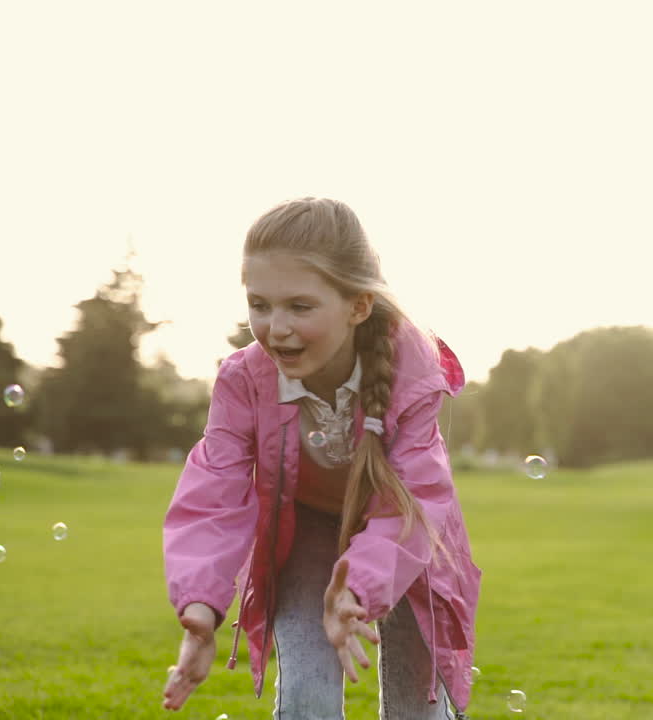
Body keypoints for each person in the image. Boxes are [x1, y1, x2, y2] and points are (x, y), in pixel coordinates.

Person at [161, 197, 480, 719]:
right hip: (305, 531)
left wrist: (358, 586)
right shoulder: (244, 379)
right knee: (307, 695)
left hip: (407, 539)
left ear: (357, 306)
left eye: (299, 307)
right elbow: (214, 489)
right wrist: (200, 606)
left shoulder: (412, 370)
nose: (275, 327)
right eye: (259, 304)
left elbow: (414, 497)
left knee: (414, 707)